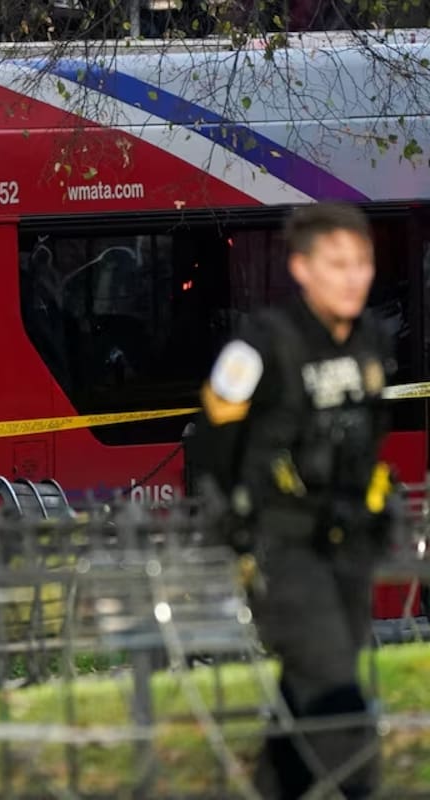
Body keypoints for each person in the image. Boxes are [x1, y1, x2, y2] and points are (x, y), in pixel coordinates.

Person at [190, 202, 395, 799]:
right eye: (338, 264)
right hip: (280, 545)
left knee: (309, 688)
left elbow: (368, 433)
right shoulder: (259, 346)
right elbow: (210, 444)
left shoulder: (373, 339)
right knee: (336, 692)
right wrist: (231, 528)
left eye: (363, 262)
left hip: (347, 543)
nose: (354, 276)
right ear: (302, 269)